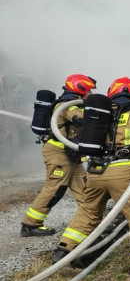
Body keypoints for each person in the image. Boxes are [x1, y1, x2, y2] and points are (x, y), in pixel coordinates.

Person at [53, 77, 130, 279]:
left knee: (88, 213)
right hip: (124, 175)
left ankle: (63, 251)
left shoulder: (100, 114)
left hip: (95, 172)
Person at [20, 73, 97, 237]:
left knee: (85, 188)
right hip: (58, 152)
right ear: (81, 89)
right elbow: (80, 119)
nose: (91, 94)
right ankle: (30, 224)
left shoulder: (77, 103)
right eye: (90, 91)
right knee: (55, 188)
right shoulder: (67, 104)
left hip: (71, 154)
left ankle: (92, 223)